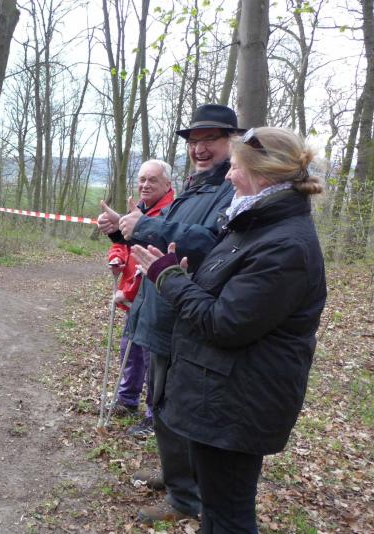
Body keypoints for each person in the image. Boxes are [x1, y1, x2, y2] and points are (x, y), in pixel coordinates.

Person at [131, 127, 326, 532]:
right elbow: (229, 296)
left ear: (264, 175)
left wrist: (169, 279)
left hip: (238, 403)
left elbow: (225, 323)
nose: (228, 176)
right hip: (222, 394)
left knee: (228, 516)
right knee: (219, 510)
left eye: (235, 167)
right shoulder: (253, 223)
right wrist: (184, 277)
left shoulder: (284, 244)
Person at [98, 104, 241, 524]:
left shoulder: (230, 190)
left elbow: (210, 243)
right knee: (161, 402)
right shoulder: (195, 188)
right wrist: (122, 229)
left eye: (210, 139)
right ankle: (175, 474)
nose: (200, 148)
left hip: (184, 315)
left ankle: (184, 497)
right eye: (194, 141)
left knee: (174, 405)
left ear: (232, 142)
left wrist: (142, 226)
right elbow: (164, 242)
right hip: (161, 309)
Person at [106, 160, 175, 440]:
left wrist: (128, 293)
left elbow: (152, 263)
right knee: (129, 349)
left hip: (154, 301)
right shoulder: (141, 211)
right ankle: (127, 400)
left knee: (152, 360)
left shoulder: (170, 214)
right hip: (136, 301)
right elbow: (125, 246)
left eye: (152, 180)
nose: (145, 185)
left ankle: (153, 415)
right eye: (142, 179)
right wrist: (116, 256)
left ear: (168, 184)